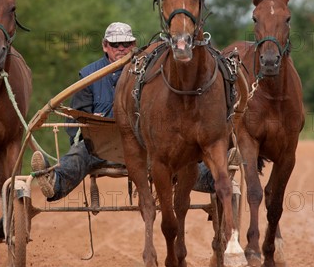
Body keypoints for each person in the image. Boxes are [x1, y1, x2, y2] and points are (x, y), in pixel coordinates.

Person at [31, 22, 233, 201]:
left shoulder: (148, 72)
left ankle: (215, 179)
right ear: (105, 46)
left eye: (126, 44)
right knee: (80, 152)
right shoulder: (87, 75)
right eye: (115, 44)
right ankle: (54, 183)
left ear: (134, 45)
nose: (121, 49)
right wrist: (86, 131)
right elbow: (76, 121)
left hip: (145, 146)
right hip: (103, 147)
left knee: (180, 157)